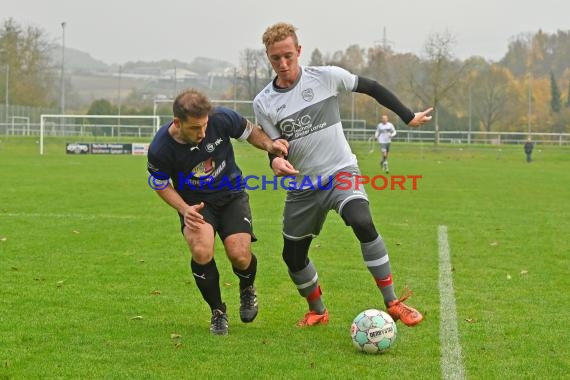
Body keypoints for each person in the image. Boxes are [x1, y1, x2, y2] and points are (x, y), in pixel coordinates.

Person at [253, 22, 432, 328]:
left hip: (340, 172)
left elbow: (372, 88)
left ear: (298, 51)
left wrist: (407, 116)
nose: (282, 64)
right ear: (269, 59)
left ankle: (392, 302)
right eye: (275, 59)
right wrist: (274, 162)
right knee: (293, 258)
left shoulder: (326, 77)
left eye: (287, 56)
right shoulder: (264, 103)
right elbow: (274, 146)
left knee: (362, 221)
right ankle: (318, 310)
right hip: (302, 188)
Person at [147, 89, 289, 335]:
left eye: (204, 126)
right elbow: (159, 183)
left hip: (231, 194)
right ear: (177, 122)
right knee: (201, 250)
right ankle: (218, 312)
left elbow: (250, 132)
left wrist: (270, 145)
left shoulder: (221, 117)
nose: (202, 134)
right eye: (194, 129)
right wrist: (183, 208)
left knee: (240, 255)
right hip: (195, 204)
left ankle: (247, 288)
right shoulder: (160, 148)